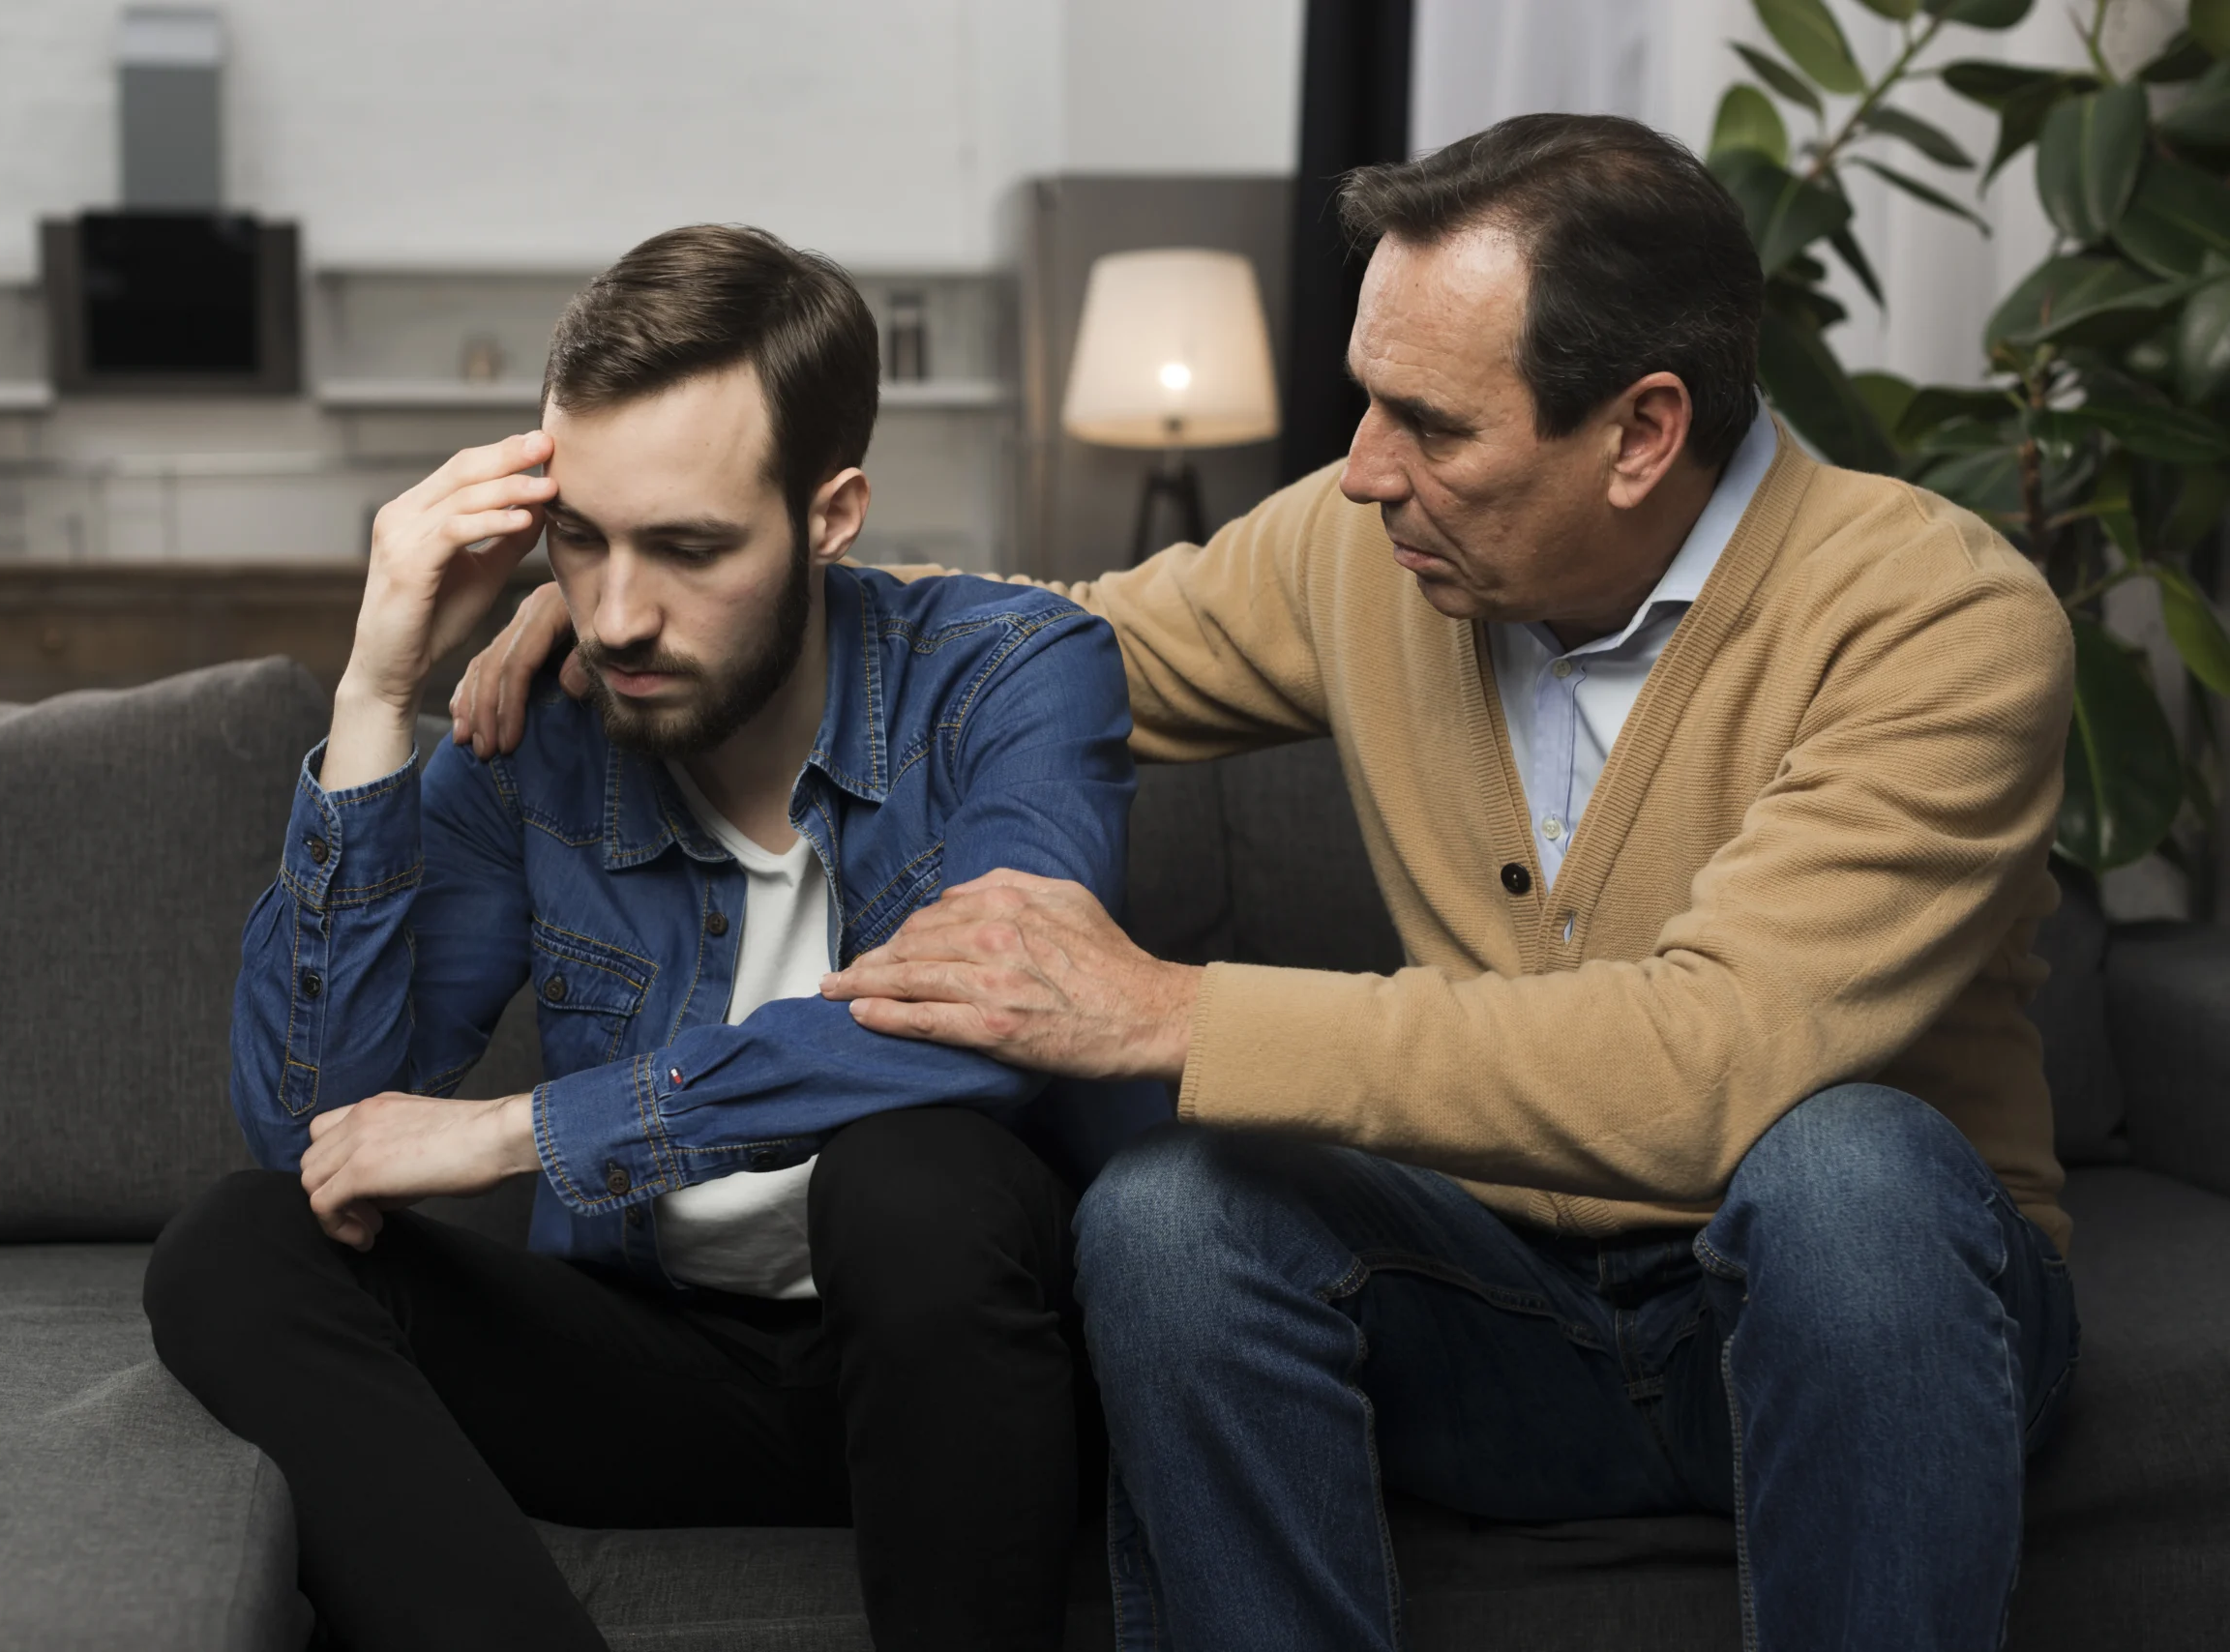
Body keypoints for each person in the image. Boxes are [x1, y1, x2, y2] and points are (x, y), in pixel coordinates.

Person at [452, 117, 2082, 1652]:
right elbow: (1044, 651)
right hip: (1502, 1311)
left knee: (1848, 1170)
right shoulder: (1361, 550)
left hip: (1849, 1322)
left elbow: (1713, 1064)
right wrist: (675, 592)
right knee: (1173, 1213)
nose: (1366, 469)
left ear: (1644, 432)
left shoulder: (1936, 619)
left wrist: (1170, 1012)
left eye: (1432, 425)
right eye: (1366, 401)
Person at [142, 223, 1139, 1652]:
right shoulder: (534, 733)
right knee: (232, 1248)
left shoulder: (1012, 678)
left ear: (832, 511)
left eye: (688, 548)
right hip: (671, 1370)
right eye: (582, 539)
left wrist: (523, 1132)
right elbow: (319, 1131)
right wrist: (378, 685)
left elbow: (997, 1018)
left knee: (914, 1170)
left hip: (982, 1375)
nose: (617, 615)